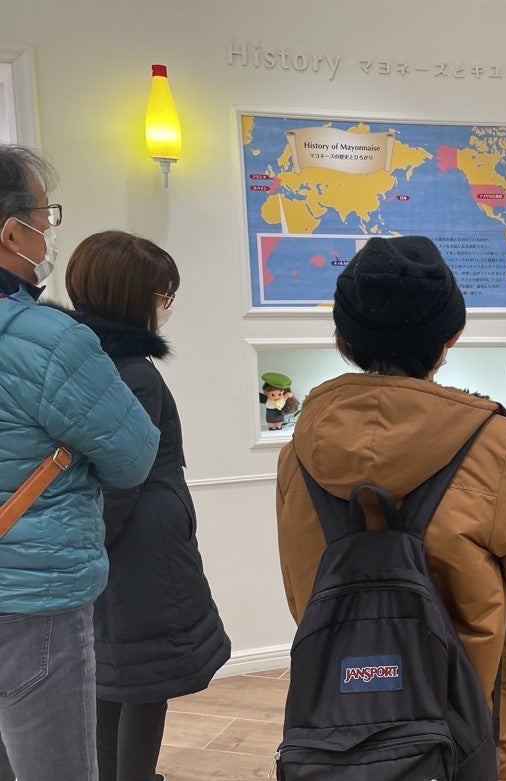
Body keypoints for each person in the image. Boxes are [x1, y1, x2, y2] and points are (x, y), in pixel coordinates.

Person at [276, 235, 506, 781]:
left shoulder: (300, 449)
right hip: (481, 711)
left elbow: (304, 587)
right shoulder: (496, 445)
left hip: (341, 719)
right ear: (450, 336)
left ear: (345, 339)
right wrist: (503, 649)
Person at [0, 145, 159, 780]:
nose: (49, 231)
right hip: (32, 596)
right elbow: (133, 456)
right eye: (45, 217)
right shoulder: (47, 339)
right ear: (12, 232)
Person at [62, 230, 231, 781]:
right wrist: (96, 545)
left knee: (114, 678)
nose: (167, 305)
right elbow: (123, 479)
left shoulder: (88, 361)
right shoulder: (133, 372)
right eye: (162, 293)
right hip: (142, 553)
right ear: (131, 295)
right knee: (144, 684)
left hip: (119, 548)